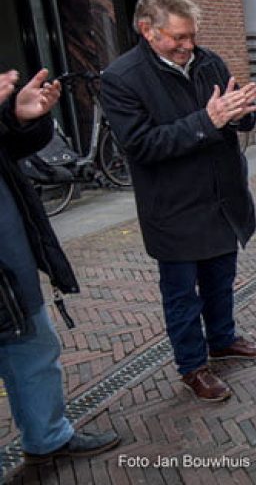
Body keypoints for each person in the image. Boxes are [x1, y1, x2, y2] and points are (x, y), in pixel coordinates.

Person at [102, 0, 256, 403]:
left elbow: (230, 116)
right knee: (181, 295)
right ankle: (193, 366)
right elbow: (141, 145)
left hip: (221, 198)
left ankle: (223, 338)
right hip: (174, 207)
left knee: (220, 281)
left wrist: (243, 112)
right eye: (177, 38)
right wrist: (209, 120)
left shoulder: (208, 61)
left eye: (191, 36)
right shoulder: (121, 79)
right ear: (147, 30)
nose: (187, 46)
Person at [0, 68, 120, 463]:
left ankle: (48, 437)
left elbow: (9, 149)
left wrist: (19, 120)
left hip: (10, 260)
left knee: (32, 344)